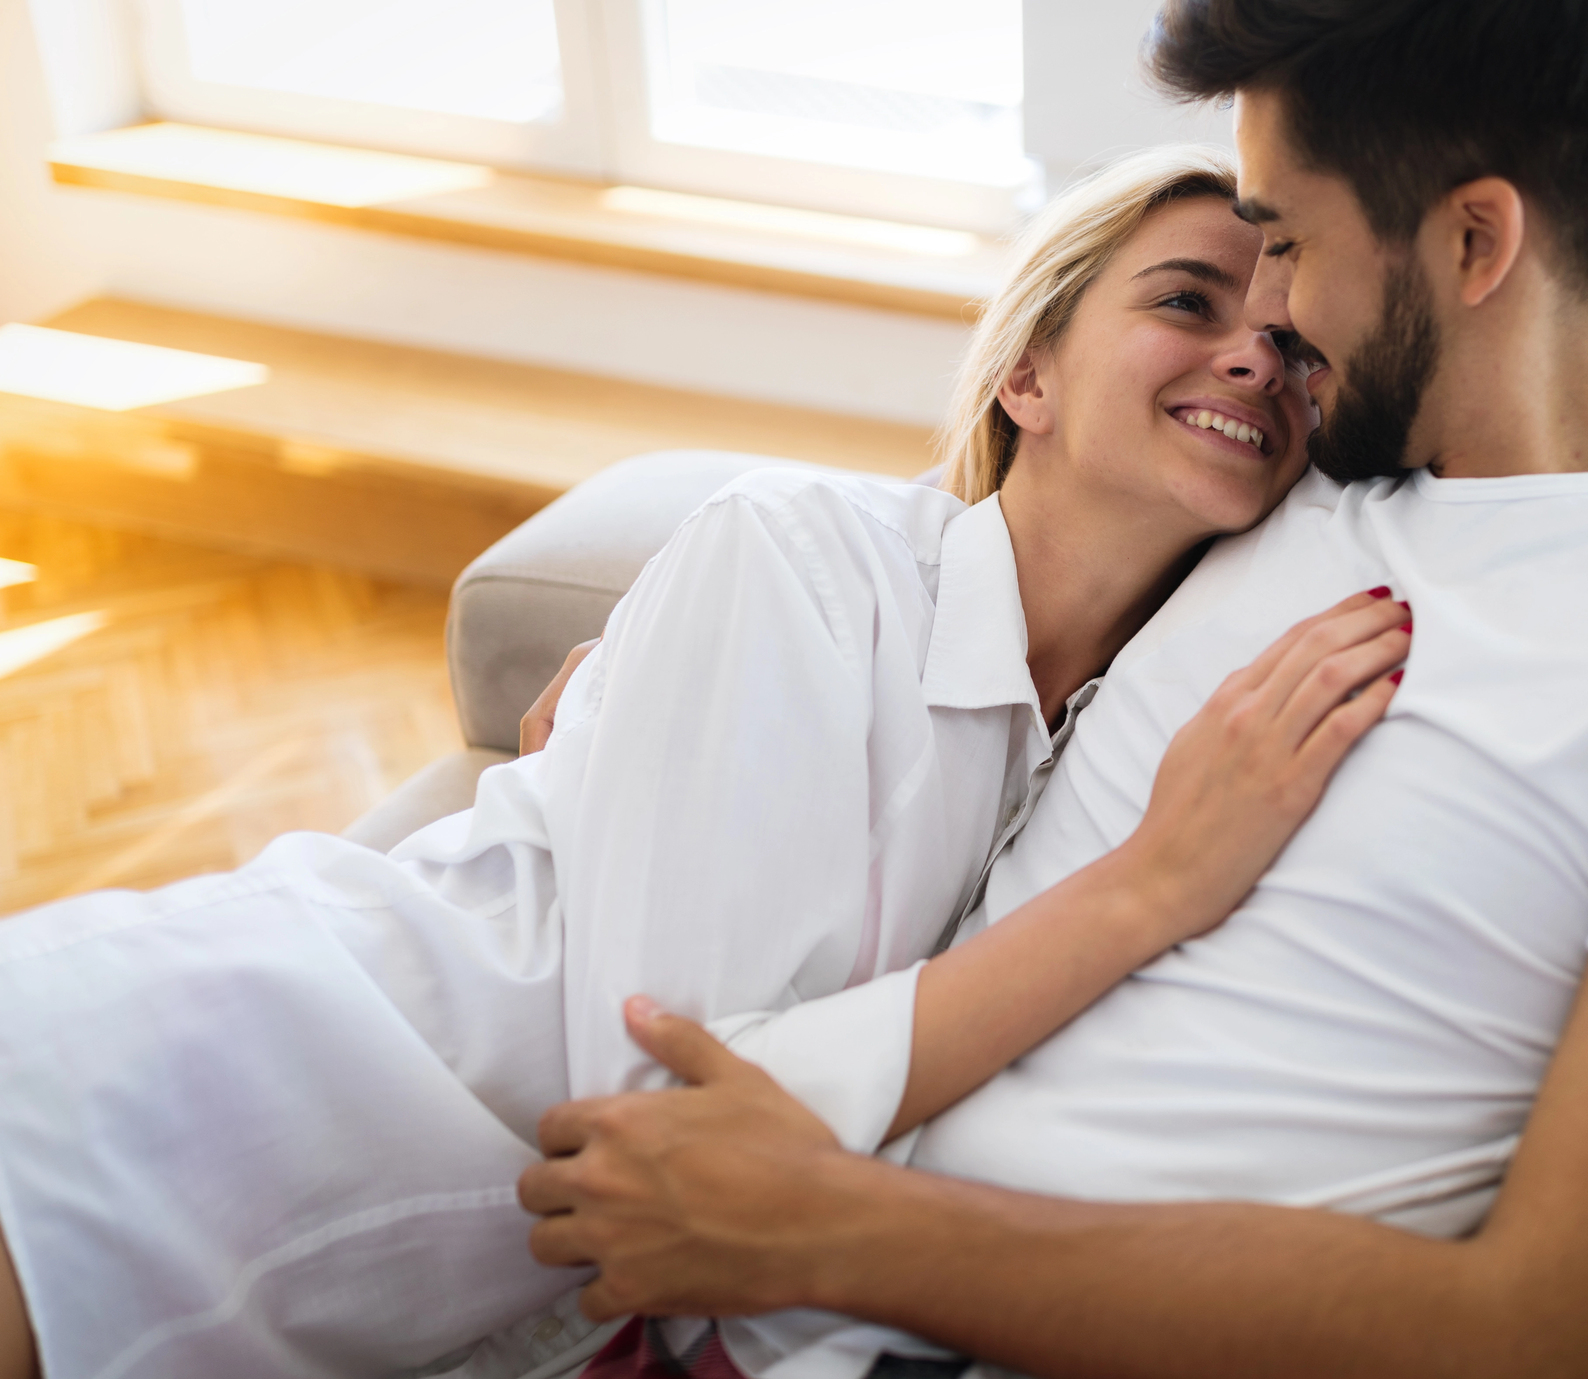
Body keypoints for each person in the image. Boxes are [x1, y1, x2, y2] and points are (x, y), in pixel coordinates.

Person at [516, 2, 1588, 1377]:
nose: (1271, 316)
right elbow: (966, 586)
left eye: (1284, 240)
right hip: (719, 1292)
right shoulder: (1281, 490)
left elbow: (1554, 1336)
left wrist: (829, 1230)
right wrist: (666, 689)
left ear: (1476, 243)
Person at [0, 148, 1416, 1379]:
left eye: (1293, 347)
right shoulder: (800, 558)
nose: (1252, 355)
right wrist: (1148, 888)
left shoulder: (1113, 740)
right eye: (1188, 300)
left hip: (353, 1287)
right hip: (172, 1097)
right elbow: (668, 1142)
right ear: (1027, 375)